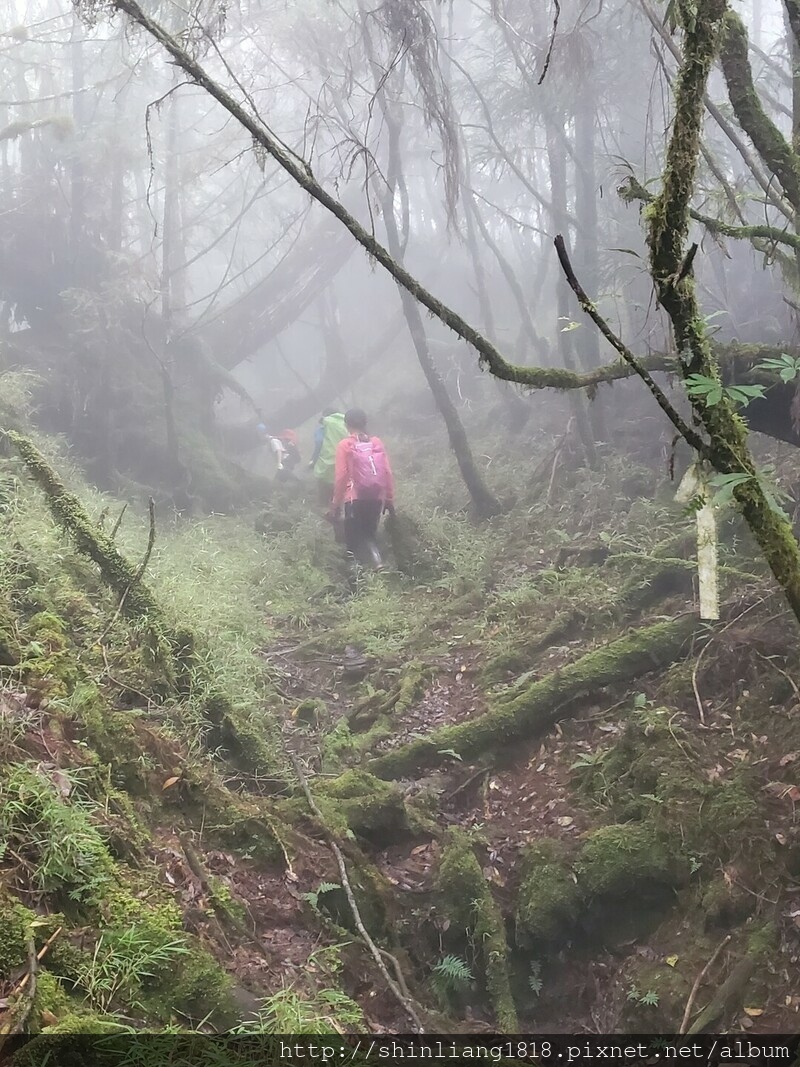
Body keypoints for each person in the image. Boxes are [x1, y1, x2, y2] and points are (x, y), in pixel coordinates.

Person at [328, 408, 395, 571]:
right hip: (376, 497)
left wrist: (335, 504)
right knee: (368, 535)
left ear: (346, 424)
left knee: (352, 542)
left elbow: (341, 476)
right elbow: (387, 471)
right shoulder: (376, 443)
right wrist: (389, 499)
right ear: (365, 422)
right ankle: (376, 564)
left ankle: (359, 576)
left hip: (354, 498)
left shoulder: (345, 445)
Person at [309, 408, 348, 506]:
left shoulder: (324, 427)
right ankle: (336, 511)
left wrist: (313, 460)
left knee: (324, 492)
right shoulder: (347, 425)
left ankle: (324, 511)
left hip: (326, 463)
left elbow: (319, 442)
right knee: (338, 491)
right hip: (343, 462)